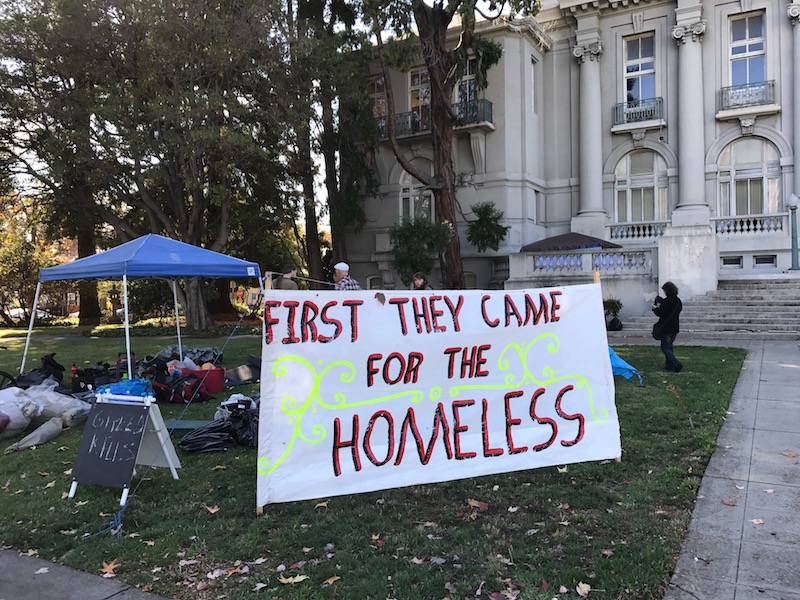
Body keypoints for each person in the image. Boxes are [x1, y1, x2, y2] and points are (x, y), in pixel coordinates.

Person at [652, 281, 683, 372]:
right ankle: (669, 365)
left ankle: (675, 363)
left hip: (666, 327)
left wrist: (655, 309)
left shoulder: (667, 301)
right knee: (669, 346)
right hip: (675, 327)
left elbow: (662, 313)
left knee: (665, 347)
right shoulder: (678, 301)